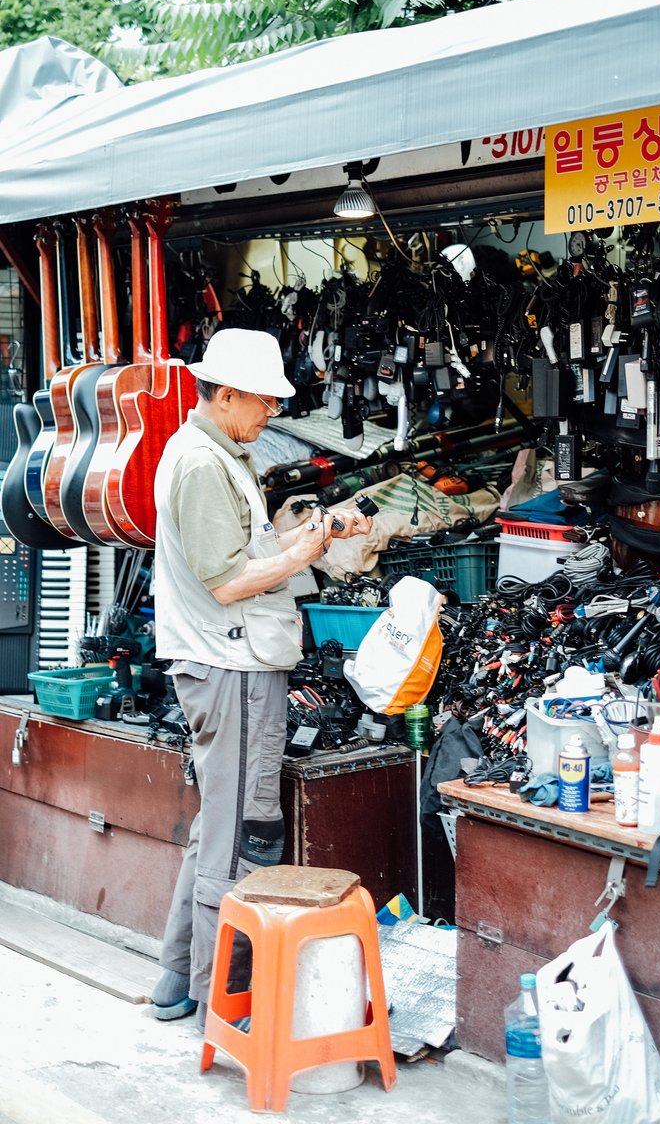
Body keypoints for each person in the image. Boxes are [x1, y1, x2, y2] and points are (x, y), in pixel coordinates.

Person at [150, 327, 372, 1031]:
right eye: (265, 399)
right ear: (228, 393)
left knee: (216, 826)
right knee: (240, 832)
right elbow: (230, 583)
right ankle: (225, 999)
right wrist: (307, 546)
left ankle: (174, 982)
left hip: (228, 659)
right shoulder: (201, 464)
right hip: (231, 664)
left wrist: (309, 535)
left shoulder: (218, 452)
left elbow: (244, 552)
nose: (272, 412)